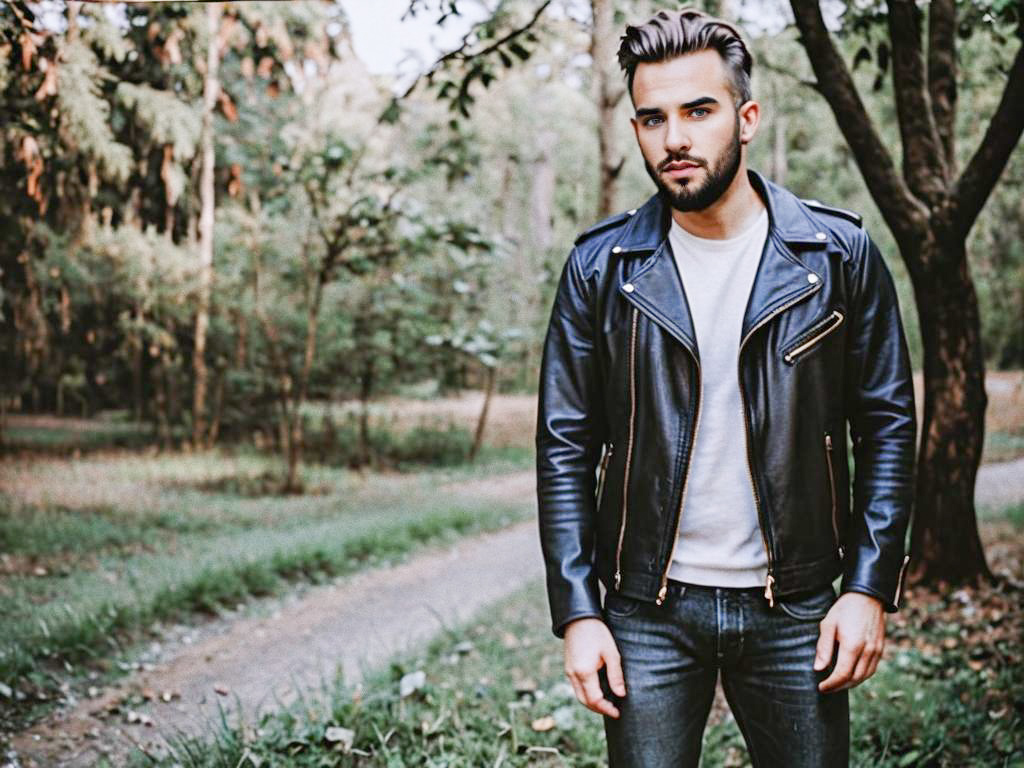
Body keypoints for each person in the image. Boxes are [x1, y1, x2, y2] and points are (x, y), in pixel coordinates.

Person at [534, 8, 917, 767]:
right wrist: (580, 611)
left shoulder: (836, 255)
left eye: (698, 111)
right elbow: (564, 446)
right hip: (648, 611)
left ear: (746, 118)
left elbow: (887, 425)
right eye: (652, 118)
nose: (674, 138)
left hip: (798, 606)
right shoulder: (601, 270)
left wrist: (867, 589)